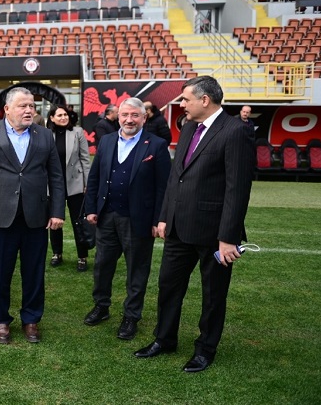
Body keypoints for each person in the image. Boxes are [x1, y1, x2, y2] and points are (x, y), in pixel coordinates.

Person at [134, 76, 254, 373]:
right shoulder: (189, 127)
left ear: (205, 100)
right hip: (178, 227)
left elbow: (237, 189)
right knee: (168, 286)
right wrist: (165, 216)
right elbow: (176, 176)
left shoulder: (235, 131)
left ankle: (205, 349)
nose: (182, 105)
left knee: (213, 295)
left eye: (186, 99)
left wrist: (228, 237)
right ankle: (164, 339)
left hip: (214, 233)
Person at [0, 87, 65, 344]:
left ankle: (31, 319)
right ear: (7, 109)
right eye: (23, 106)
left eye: (32, 105)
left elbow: (56, 176)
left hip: (36, 216)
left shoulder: (45, 135)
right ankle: (1, 320)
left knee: (34, 272)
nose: (29, 110)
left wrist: (57, 211)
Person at [83, 98, 171, 341]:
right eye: (125, 115)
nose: (129, 120)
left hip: (138, 219)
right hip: (107, 216)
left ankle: (131, 316)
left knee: (137, 269)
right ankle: (101, 306)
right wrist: (91, 208)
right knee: (102, 265)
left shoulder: (157, 145)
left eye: (134, 115)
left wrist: (158, 219)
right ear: (118, 116)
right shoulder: (107, 141)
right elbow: (95, 177)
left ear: (144, 117)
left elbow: (164, 187)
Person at [45, 105, 92, 271]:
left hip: (75, 183)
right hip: (53, 185)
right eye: (59, 115)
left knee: (78, 222)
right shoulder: (46, 134)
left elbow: (85, 159)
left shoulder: (78, 132)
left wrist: (87, 183)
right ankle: (56, 253)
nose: (64, 117)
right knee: (54, 221)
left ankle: (82, 257)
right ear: (52, 118)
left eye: (65, 114)